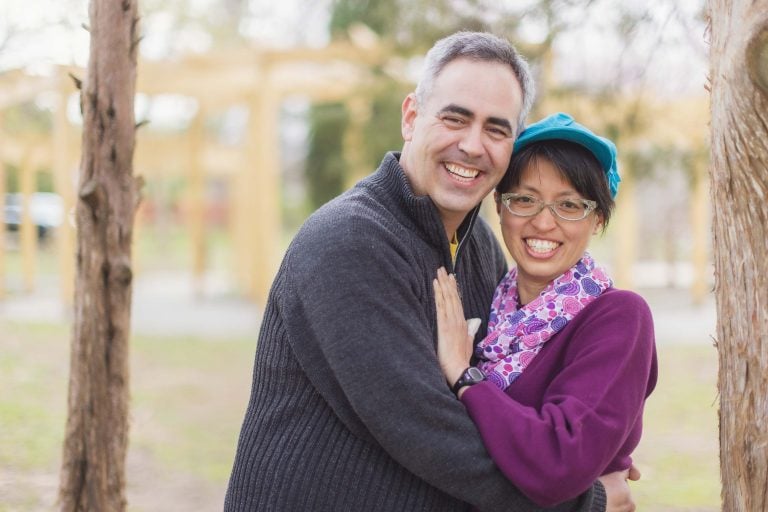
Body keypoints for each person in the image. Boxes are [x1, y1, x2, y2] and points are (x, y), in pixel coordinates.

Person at [225, 33, 629, 511]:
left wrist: (592, 453)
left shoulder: (480, 245)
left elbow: (509, 389)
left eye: (496, 130)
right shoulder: (349, 242)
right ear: (411, 117)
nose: (473, 145)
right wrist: (585, 501)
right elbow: (428, 429)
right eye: (455, 118)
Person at [433, 112, 658, 509]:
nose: (542, 222)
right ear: (499, 206)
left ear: (598, 219)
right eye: (524, 199)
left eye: (569, 205)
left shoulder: (619, 318)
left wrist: (465, 378)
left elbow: (558, 462)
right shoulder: (494, 308)